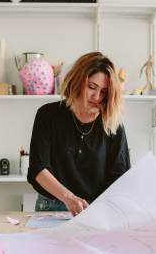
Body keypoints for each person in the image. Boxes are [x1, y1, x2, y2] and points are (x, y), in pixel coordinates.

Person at [28, 52, 130, 216]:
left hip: (96, 209)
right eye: (91, 87)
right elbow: (38, 168)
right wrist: (69, 198)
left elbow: (120, 176)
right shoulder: (47, 115)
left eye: (104, 91)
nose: (97, 97)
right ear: (77, 81)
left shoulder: (112, 124)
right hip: (51, 207)